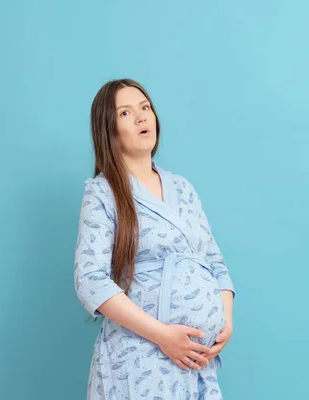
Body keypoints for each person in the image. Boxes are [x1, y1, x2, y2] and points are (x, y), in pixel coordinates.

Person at [73, 78, 236, 399]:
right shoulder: (102, 193)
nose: (141, 117)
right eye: (125, 113)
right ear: (109, 130)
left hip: (196, 361)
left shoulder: (183, 187)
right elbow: (90, 280)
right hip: (141, 356)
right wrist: (162, 336)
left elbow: (215, 262)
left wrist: (224, 324)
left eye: (145, 108)